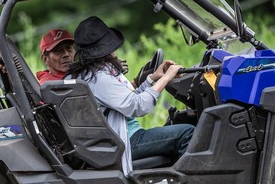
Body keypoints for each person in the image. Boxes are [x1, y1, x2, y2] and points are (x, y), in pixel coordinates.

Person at [67, 16, 194, 175]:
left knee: (176, 127)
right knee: (187, 132)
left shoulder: (89, 74)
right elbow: (137, 106)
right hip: (126, 141)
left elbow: (127, 99)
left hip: (118, 138)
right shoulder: (100, 78)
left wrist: (152, 78)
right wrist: (167, 77)